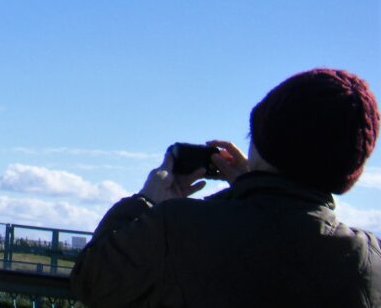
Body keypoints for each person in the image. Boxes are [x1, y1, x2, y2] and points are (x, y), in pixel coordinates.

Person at [70, 67, 381, 307]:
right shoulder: (370, 258)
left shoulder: (179, 227)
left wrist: (145, 200)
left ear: (262, 142)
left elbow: (92, 278)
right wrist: (252, 186)